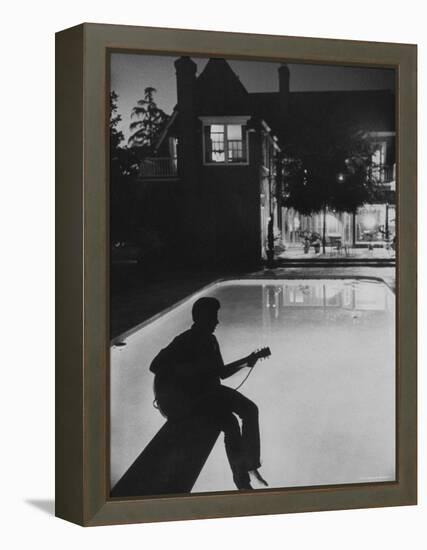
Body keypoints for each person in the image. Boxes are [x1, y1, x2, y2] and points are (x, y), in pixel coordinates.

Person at [150, 297, 268, 490]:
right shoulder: (184, 340)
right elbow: (155, 365)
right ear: (202, 318)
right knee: (247, 410)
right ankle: (248, 470)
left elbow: (220, 373)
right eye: (213, 317)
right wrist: (189, 373)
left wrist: (248, 360)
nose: (217, 321)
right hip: (191, 399)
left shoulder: (211, 340)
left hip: (207, 394)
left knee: (232, 422)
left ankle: (243, 476)